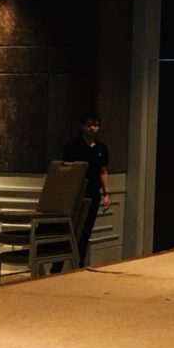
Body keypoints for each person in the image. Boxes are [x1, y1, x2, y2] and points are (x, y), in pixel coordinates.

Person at [55, 111, 111, 270]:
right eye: (89, 125)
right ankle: (57, 266)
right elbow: (67, 170)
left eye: (96, 125)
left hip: (93, 193)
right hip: (75, 193)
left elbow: (103, 171)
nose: (93, 128)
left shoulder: (101, 148)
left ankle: (78, 265)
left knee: (86, 231)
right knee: (68, 230)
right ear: (82, 127)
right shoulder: (73, 146)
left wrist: (106, 193)